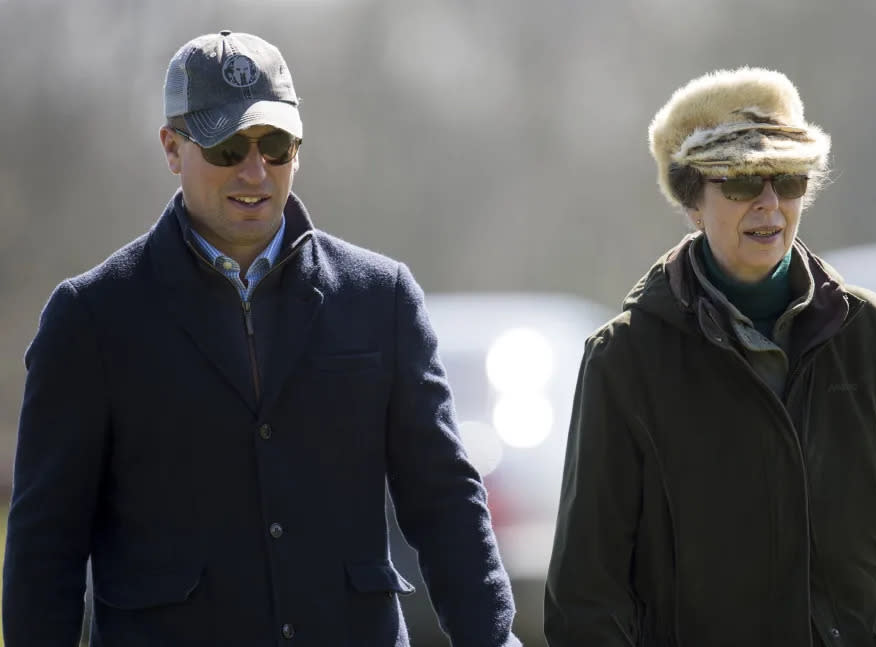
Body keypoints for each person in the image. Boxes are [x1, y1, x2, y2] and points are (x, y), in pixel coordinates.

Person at [3, 30, 521, 647]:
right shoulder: (88, 318)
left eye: (275, 145)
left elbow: (445, 502)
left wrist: (493, 639)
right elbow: (45, 545)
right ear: (172, 147)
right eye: (227, 147)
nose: (255, 170)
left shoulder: (381, 298)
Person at [545, 67, 876, 646]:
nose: (769, 204)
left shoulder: (869, 332)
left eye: (788, 180)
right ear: (693, 202)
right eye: (741, 183)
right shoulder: (625, 358)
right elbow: (588, 593)